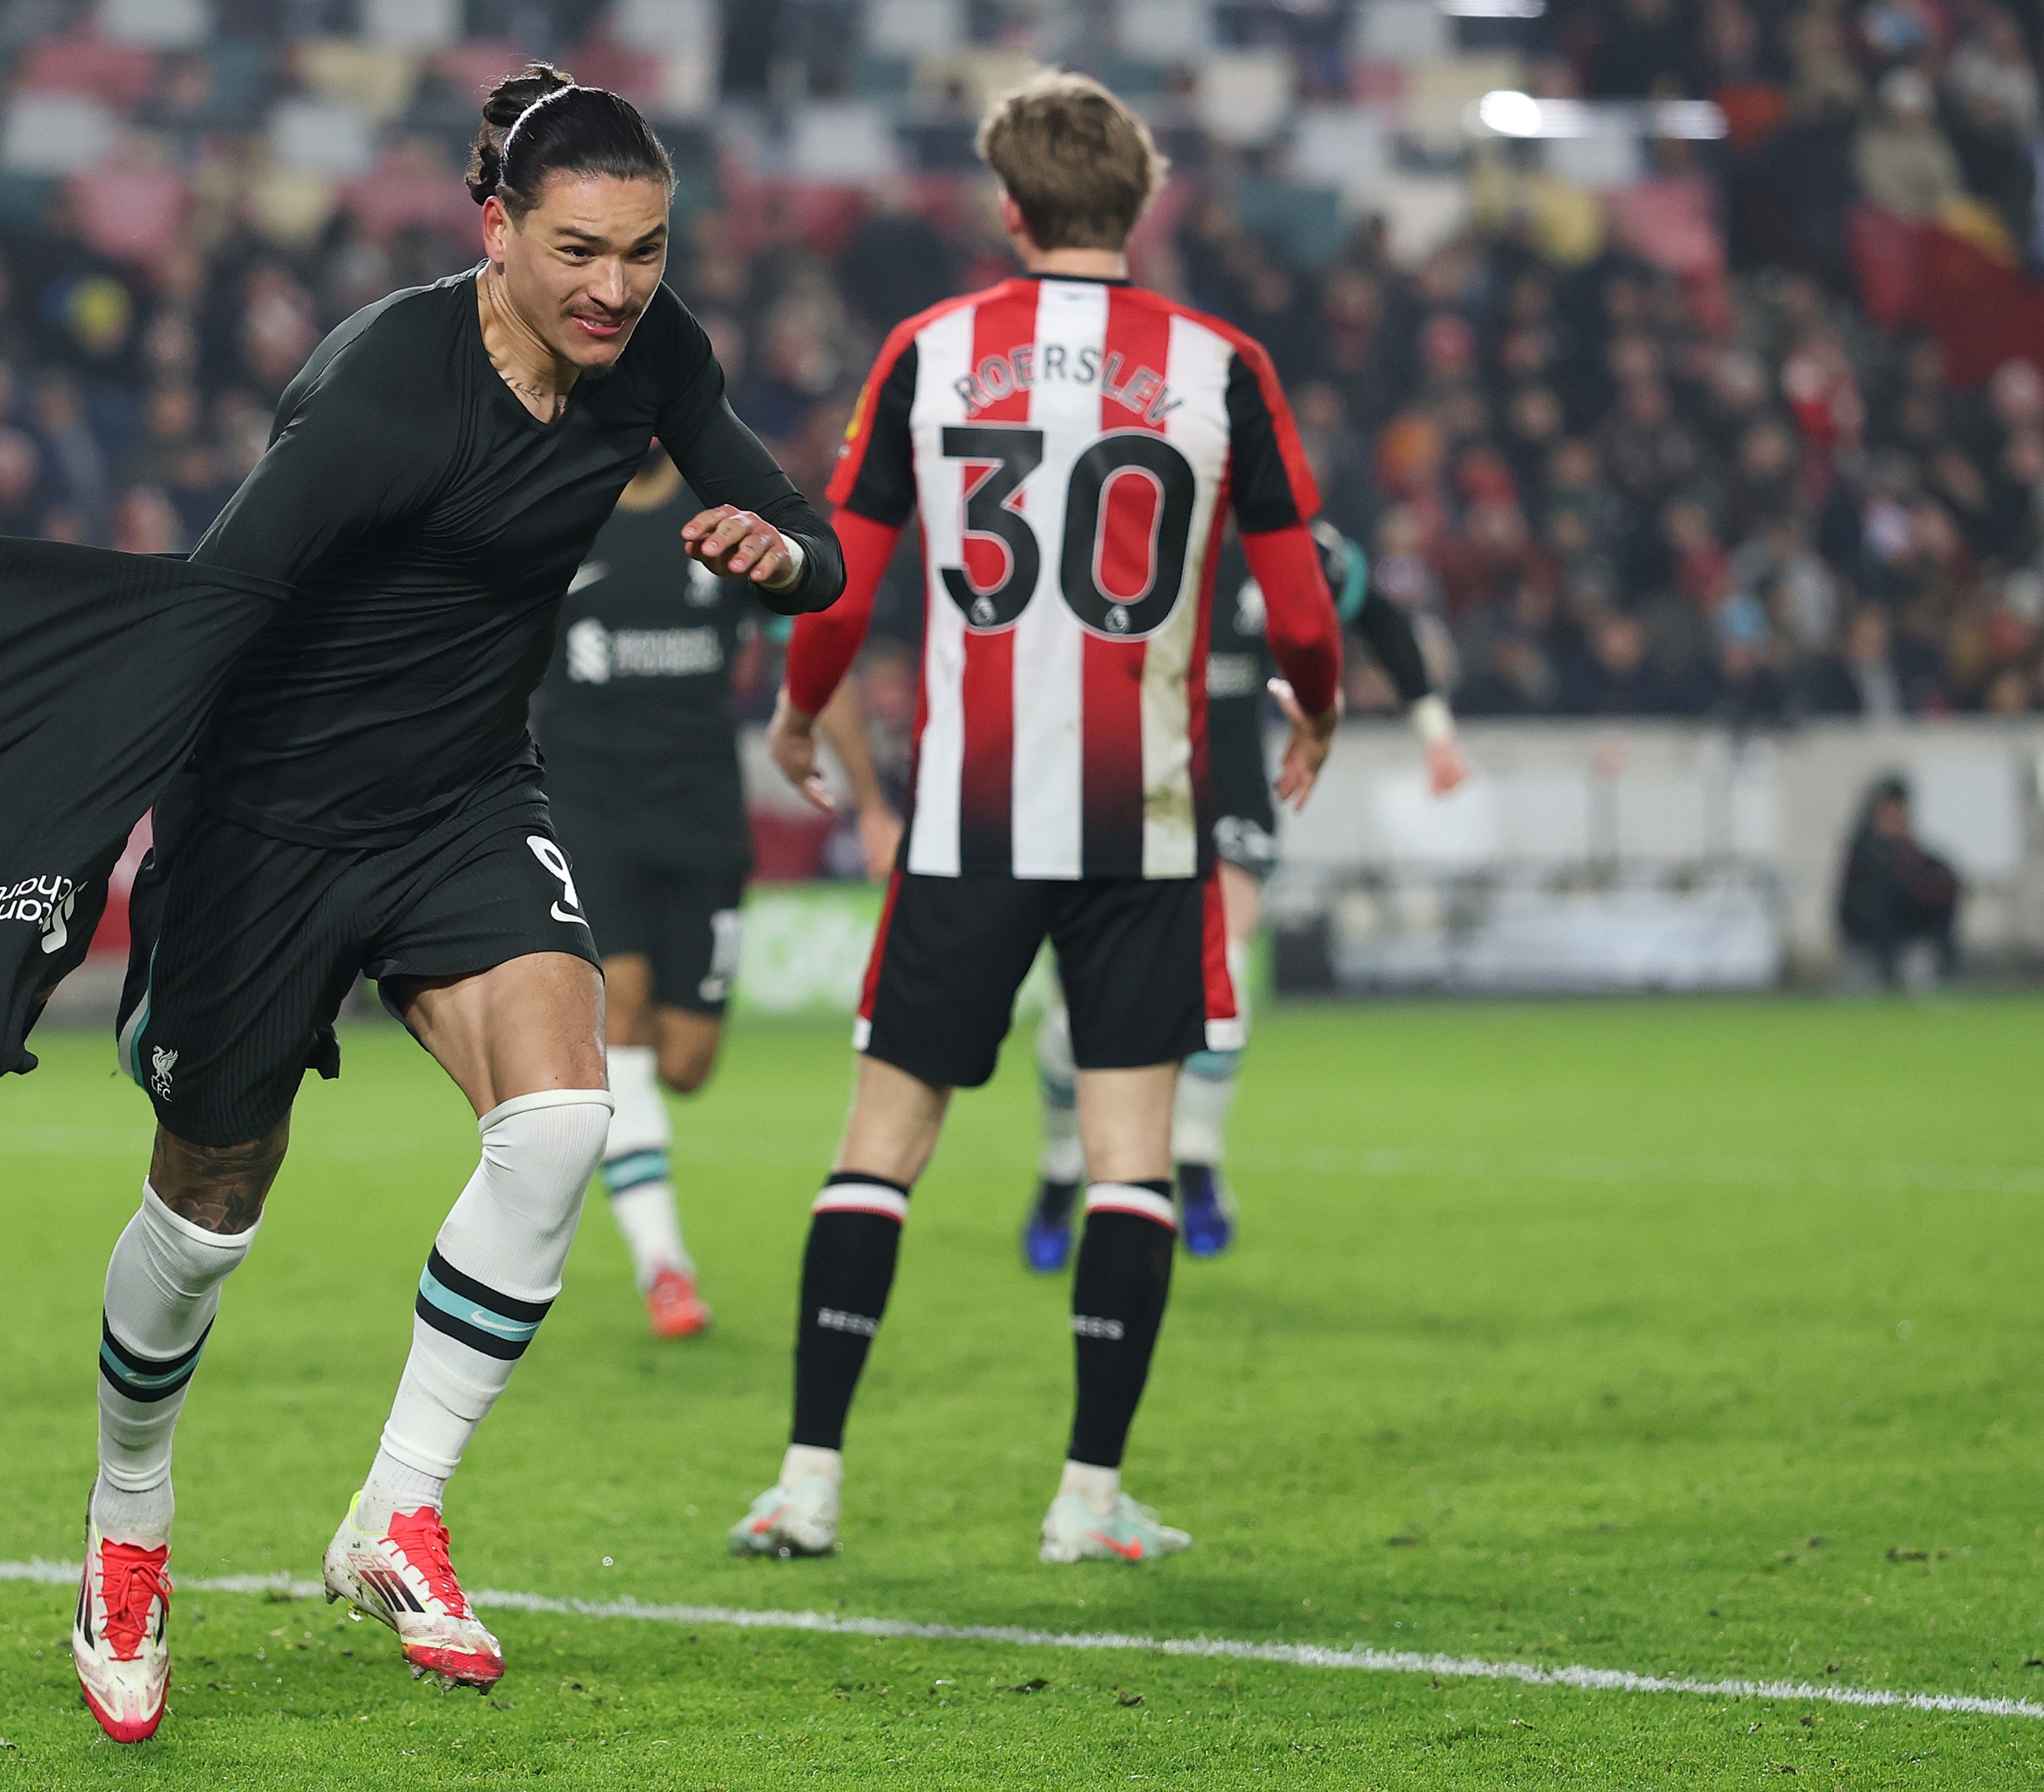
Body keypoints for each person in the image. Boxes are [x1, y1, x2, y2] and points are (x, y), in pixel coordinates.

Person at [74, 70, 844, 1737]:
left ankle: (395, 1511)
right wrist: (83, 832)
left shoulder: (652, 359)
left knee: (563, 1119)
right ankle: (127, 1521)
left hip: (462, 803)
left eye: (643, 252)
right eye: (578, 249)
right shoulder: (373, 391)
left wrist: (786, 561)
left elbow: (811, 529)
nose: (614, 289)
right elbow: (213, 603)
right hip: (266, 824)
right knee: (207, 1218)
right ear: (492, 228)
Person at [728, 71, 1341, 1570]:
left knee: (880, 1144)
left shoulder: (930, 353)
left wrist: (802, 709)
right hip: (1143, 818)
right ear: (1139, 204)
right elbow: (1303, 599)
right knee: (1130, 1158)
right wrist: (1314, 704)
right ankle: (1085, 1496)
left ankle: (806, 1482)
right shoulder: (1220, 365)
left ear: (1008, 208)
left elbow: (840, 580)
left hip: (964, 820)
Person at [1019, 521, 1469, 1268]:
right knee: (1076, 1018)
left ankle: (1195, 1163)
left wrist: (1434, 732)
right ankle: (1059, 1171)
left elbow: (1378, 615)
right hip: (1107, 791)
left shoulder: (1281, 539)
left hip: (1225, 794)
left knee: (1220, 967)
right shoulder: (1104, 518)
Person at [531, 450, 895, 1337]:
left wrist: (873, 802)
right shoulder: (554, 514)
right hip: (588, 815)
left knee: (683, 1059)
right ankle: (667, 1267)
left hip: (700, 822)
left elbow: (809, 648)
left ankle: (631, 1144)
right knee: (618, 1027)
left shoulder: (724, 527)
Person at [1837, 773, 1959, 990]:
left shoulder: (1908, 849)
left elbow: (1932, 873)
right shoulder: (1865, 849)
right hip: (1870, 937)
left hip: (1908, 933)